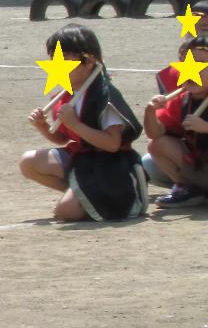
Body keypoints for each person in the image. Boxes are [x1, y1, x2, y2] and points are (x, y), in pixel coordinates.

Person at [17, 23, 147, 223]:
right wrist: (43, 126)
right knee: (28, 162)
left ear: (89, 61)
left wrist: (76, 124)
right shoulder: (65, 94)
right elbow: (62, 139)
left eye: (65, 59)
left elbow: (112, 145)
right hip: (82, 158)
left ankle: (119, 194)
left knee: (65, 213)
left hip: (110, 164)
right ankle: (82, 193)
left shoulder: (104, 95)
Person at [144, 56, 208, 207]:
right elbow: (155, 134)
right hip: (202, 165)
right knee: (154, 149)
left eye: (201, 64)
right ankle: (190, 190)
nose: (192, 70)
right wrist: (150, 112)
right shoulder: (182, 99)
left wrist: (205, 127)